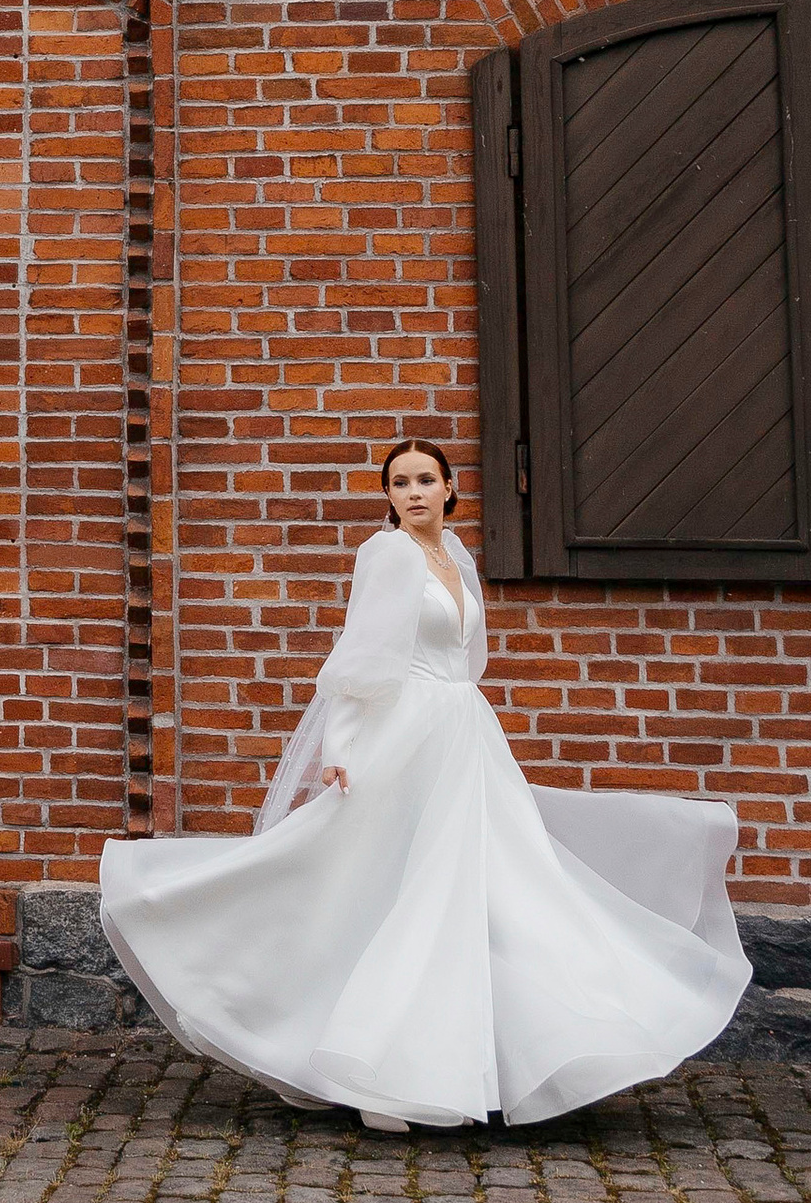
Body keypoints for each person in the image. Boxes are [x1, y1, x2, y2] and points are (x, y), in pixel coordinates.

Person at [98, 436, 751, 1127]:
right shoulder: (388, 556)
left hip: (465, 735)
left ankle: (466, 1065)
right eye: (399, 483)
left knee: (494, 890)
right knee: (381, 884)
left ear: (449, 489)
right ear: (389, 497)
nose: (412, 493)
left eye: (424, 480)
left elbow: (465, 662)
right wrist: (344, 746)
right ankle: (367, 1068)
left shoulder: (456, 560)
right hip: (403, 738)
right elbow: (362, 654)